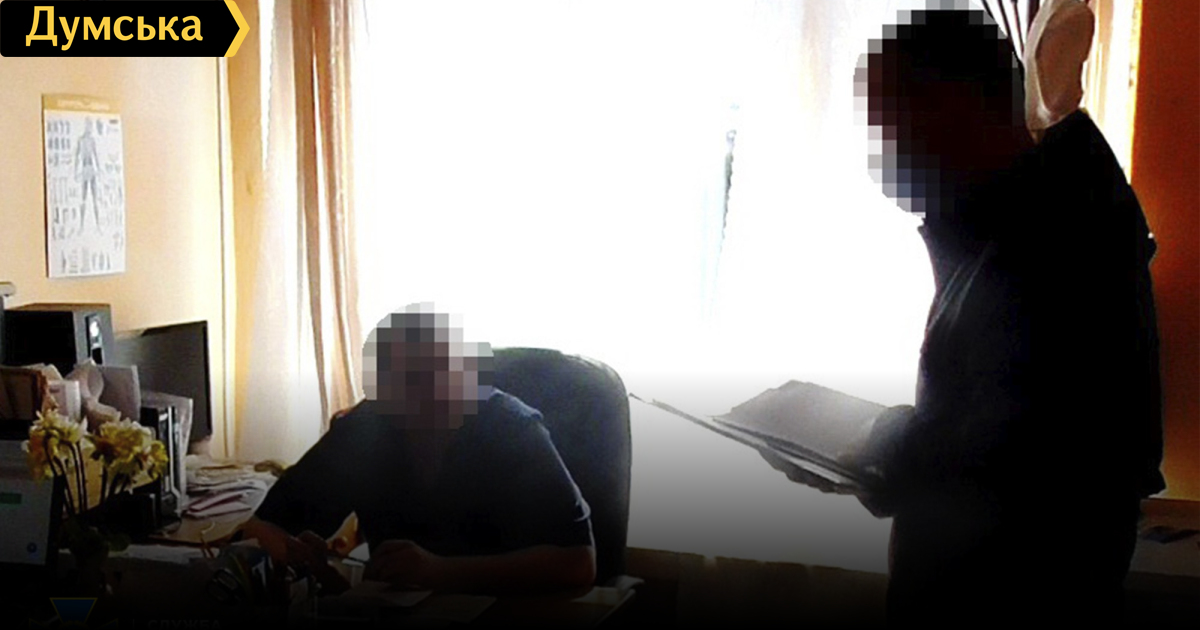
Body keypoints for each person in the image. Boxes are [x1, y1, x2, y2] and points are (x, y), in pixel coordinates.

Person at [765, 4, 1161, 626]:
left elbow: (1010, 451)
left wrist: (860, 445)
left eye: (892, 120)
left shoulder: (1056, 234)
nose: (881, 152)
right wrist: (855, 450)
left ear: (967, 103)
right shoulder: (1011, 220)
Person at [243, 305, 597, 595]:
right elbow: (260, 527)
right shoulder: (366, 428)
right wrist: (300, 560)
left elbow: (578, 564)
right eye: (400, 381)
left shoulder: (510, 430)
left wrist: (441, 572)